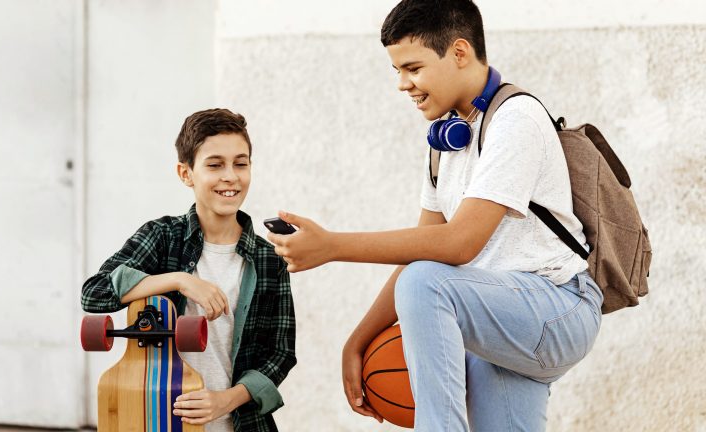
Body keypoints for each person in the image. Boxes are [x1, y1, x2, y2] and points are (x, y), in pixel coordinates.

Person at [267, 1, 602, 430]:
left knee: (425, 283)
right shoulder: (447, 139)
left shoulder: (515, 119)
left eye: (413, 68)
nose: (403, 84)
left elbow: (458, 246)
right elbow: (424, 249)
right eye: (397, 71)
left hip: (558, 308)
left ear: (459, 52)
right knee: (424, 278)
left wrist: (333, 246)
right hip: (497, 320)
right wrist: (357, 340)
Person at [82, 108, 296, 432]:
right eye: (214, 165)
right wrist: (180, 280)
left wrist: (227, 399)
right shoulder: (162, 238)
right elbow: (94, 294)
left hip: (242, 423)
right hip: (161, 420)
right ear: (186, 173)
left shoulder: (269, 260)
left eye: (241, 163)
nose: (230, 176)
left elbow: (280, 352)